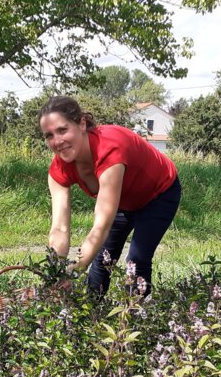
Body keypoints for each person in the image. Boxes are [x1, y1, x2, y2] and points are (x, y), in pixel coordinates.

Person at [40, 95, 181, 296]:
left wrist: (77, 269)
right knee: (103, 257)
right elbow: (59, 229)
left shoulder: (109, 149)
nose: (57, 141)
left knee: (137, 259)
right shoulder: (59, 169)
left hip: (159, 193)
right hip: (123, 199)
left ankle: (136, 313)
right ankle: (91, 308)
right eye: (49, 135)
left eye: (62, 130)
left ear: (81, 123)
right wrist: (57, 272)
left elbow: (101, 226)